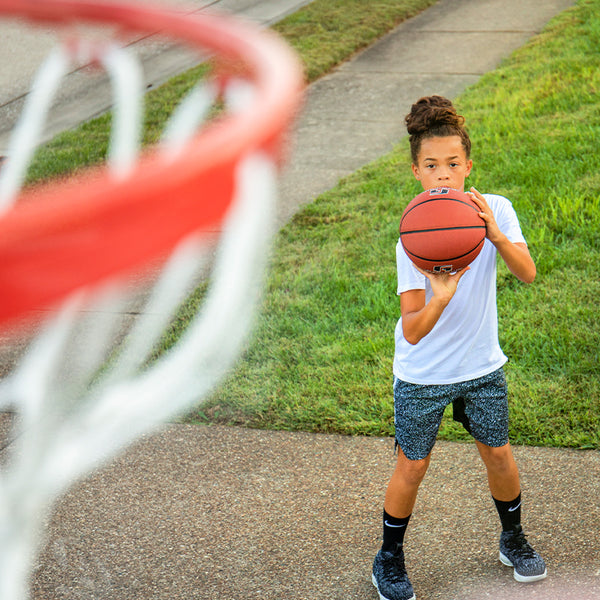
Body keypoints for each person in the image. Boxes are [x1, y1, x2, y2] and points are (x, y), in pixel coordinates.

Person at [371, 96, 546, 600]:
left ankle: (512, 539)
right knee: (413, 464)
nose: (443, 174)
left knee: (498, 452)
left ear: (468, 166)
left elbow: (528, 273)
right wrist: (441, 297)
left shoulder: (497, 209)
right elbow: (412, 330)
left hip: (482, 366)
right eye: (431, 166)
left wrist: (493, 233)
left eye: (452, 164)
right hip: (424, 374)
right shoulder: (414, 232)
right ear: (415, 172)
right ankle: (389, 559)